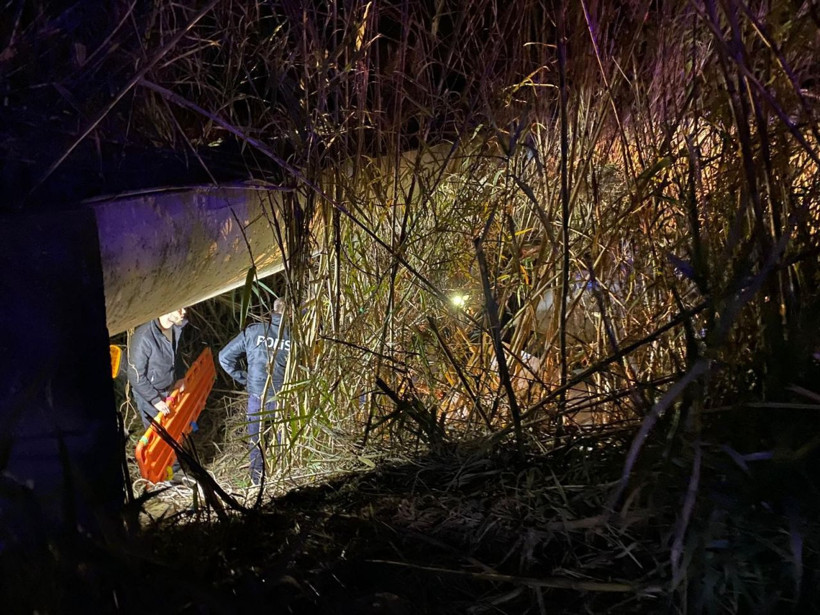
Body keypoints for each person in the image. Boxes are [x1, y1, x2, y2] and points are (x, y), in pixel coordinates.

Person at [218, 298, 291, 486]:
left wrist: (246, 379)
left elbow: (224, 357)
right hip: (282, 396)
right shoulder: (294, 337)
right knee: (281, 436)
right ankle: (281, 476)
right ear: (289, 314)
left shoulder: (254, 331)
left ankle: (257, 480)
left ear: (272, 313)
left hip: (257, 394)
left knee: (256, 440)